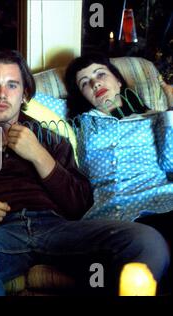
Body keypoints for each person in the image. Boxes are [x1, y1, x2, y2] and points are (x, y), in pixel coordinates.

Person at [0, 50, 170, 296]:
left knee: (146, 241)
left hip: (57, 230)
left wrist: (38, 155)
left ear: (25, 94)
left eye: (12, 85)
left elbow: (80, 205)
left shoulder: (50, 136)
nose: (2, 94)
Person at [64, 53, 173, 290]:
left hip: (161, 205)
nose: (95, 83)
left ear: (119, 81)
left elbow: (170, 162)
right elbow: (23, 94)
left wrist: (172, 108)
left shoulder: (153, 118)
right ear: (82, 95)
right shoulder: (80, 122)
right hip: (107, 216)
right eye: (85, 83)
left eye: (100, 74)